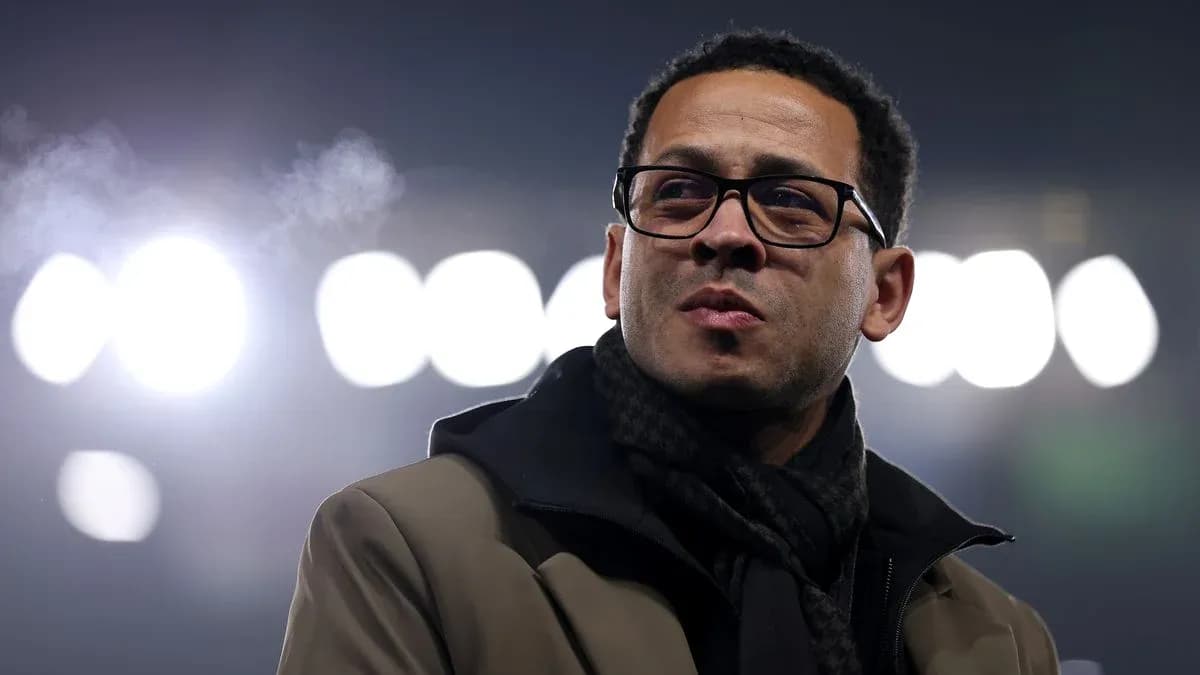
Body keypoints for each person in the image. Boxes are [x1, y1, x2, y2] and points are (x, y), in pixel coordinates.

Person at [276, 29, 1059, 675]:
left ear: (885, 294)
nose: (726, 233)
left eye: (789, 202)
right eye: (680, 192)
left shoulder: (1000, 641)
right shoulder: (405, 548)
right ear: (616, 268)